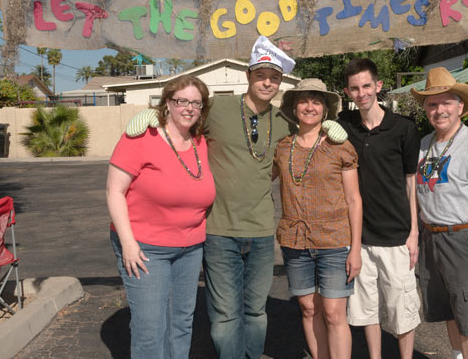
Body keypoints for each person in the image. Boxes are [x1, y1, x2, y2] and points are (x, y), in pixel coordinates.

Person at [124, 36, 348, 358]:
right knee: (225, 316)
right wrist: (153, 117)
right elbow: (183, 119)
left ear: (280, 82)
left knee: (256, 313)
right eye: (261, 75)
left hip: (260, 231)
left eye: (274, 78)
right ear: (249, 76)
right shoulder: (218, 109)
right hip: (218, 231)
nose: (267, 83)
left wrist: (329, 126)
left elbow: (307, 133)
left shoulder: (284, 123)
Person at [106, 75, 216, 358]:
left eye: (196, 102)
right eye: (181, 101)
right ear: (168, 103)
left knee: (181, 321)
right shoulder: (141, 137)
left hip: (190, 247)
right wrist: (129, 244)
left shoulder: (200, 141)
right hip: (145, 247)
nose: (188, 108)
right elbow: (114, 191)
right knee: (150, 328)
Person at [411, 67, 468, 359]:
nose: (440, 110)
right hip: (432, 239)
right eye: (433, 104)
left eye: (446, 103)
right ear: (426, 108)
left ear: (460, 106)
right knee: (449, 310)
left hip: (462, 238)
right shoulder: (425, 145)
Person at [273, 79, 362, 359]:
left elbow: (354, 199)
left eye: (316, 101)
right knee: (309, 309)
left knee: (334, 313)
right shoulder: (282, 147)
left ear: (325, 109)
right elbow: (256, 178)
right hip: (294, 241)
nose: (309, 107)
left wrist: (356, 249)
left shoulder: (340, 146)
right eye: (304, 100)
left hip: (335, 240)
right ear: (294, 106)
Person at [339, 58, 421, 359]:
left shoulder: (404, 129)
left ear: (378, 86)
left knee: (402, 310)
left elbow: (411, 184)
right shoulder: (343, 126)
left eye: (366, 86)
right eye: (354, 88)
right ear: (348, 92)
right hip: (359, 236)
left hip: (397, 234)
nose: (361, 93)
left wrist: (414, 234)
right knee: (365, 308)